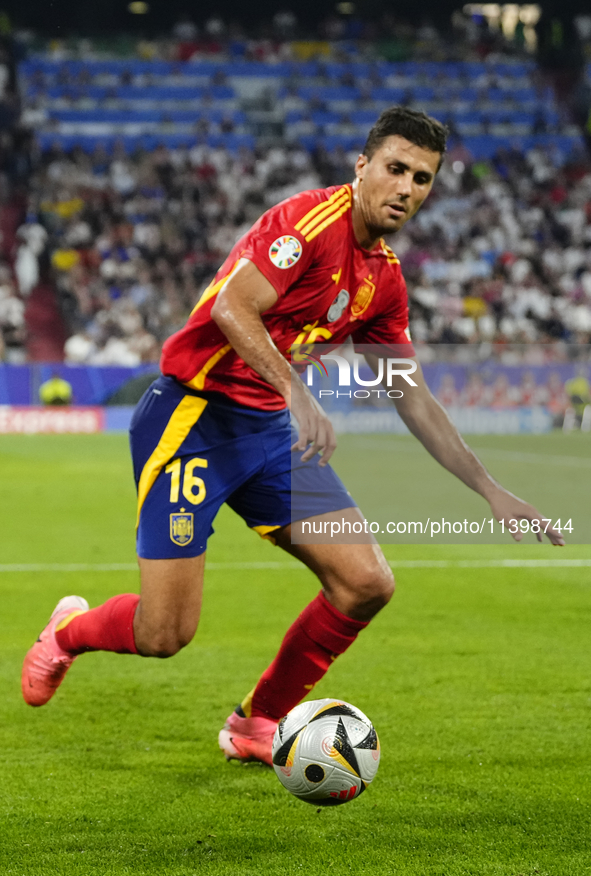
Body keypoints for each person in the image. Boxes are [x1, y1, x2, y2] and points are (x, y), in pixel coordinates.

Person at [22, 107, 564, 766]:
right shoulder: (305, 223)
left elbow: (410, 393)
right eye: (395, 169)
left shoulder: (383, 279)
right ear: (361, 166)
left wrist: (490, 490)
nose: (406, 188)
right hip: (193, 418)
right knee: (165, 633)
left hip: (268, 432)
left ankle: (258, 720)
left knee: (365, 581)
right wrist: (297, 393)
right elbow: (231, 308)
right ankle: (68, 631)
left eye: (421, 178)